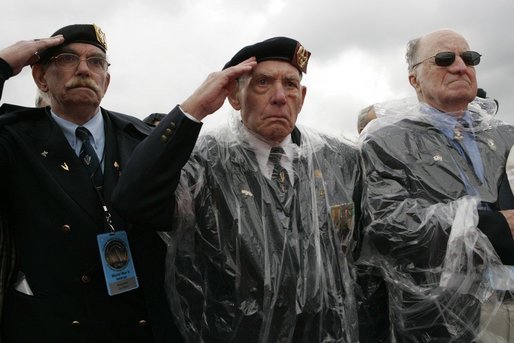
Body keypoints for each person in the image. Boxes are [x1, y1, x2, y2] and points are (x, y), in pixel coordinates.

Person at [112, 37, 361, 342]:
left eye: (291, 84)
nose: (280, 96)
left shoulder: (337, 160)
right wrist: (194, 109)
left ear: (303, 96)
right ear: (235, 97)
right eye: (263, 83)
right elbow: (135, 201)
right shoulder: (205, 161)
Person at [0, 24, 182, 343]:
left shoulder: (144, 140)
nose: (84, 69)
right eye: (69, 58)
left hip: (136, 326)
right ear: (41, 77)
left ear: (106, 81)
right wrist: (1, 64)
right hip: (55, 327)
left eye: (96, 62)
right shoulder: (14, 139)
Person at [358, 29, 514, 342]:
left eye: (469, 58)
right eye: (444, 59)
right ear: (413, 79)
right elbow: (386, 224)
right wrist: (488, 226)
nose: (460, 66)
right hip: (436, 321)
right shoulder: (386, 141)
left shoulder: (504, 136)